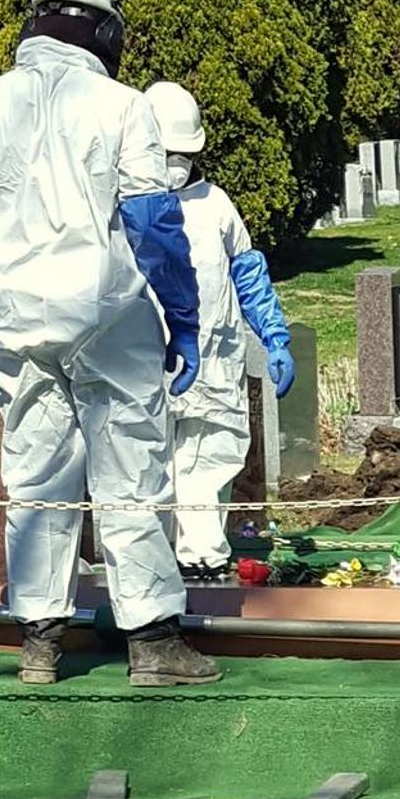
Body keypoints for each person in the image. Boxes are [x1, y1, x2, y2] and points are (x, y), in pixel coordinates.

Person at [0, 0, 223, 690]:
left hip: (18, 319)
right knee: (131, 474)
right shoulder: (123, 107)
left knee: (35, 474)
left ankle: (40, 643)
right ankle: (151, 643)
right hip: (107, 315)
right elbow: (153, 227)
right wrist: (183, 319)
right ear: (104, 30)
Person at [142, 82, 295, 583]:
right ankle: (150, 557)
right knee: (148, 460)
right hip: (147, 358)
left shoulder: (216, 205)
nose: (176, 164)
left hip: (214, 359)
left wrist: (274, 336)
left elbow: (247, 273)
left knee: (210, 457)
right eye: (167, 153)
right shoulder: (124, 208)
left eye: (183, 154)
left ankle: (203, 556)